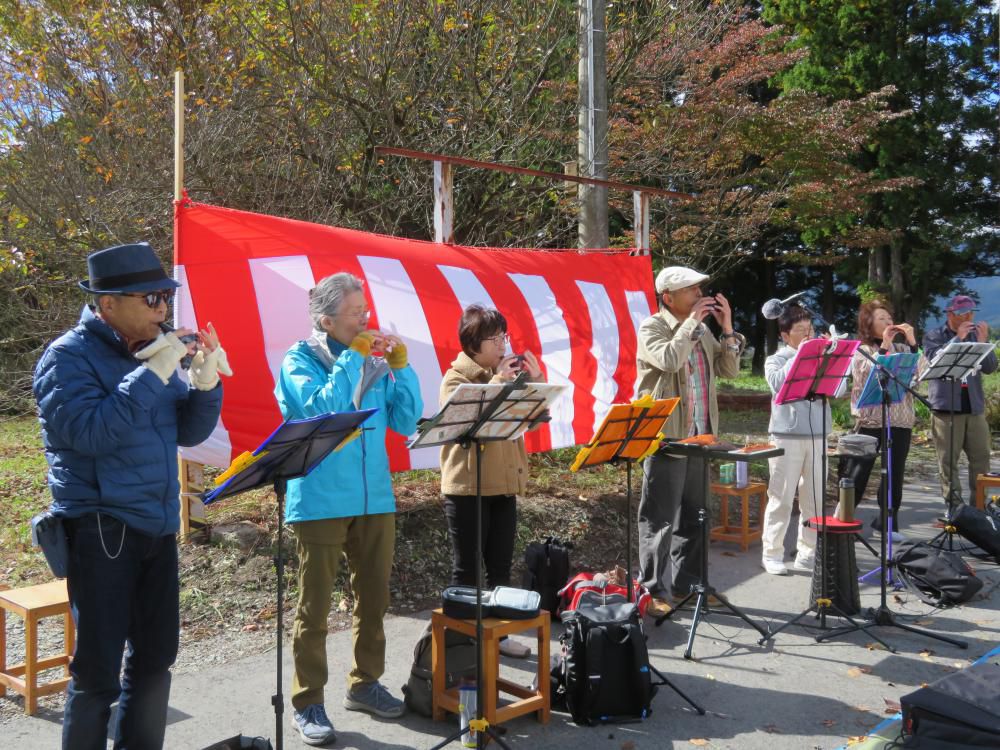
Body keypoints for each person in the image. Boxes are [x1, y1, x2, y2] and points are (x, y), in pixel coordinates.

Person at [33, 242, 228, 750]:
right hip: (102, 527)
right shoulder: (66, 357)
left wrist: (206, 384)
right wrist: (153, 372)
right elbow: (92, 434)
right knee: (98, 671)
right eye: (151, 298)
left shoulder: (156, 350)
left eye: (166, 297)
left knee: (156, 660)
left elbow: (186, 430)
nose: (163, 309)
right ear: (108, 303)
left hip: (157, 524)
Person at [274, 272, 423, 747]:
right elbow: (326, 412)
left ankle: (364, 683)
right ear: (326, 319)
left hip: (374, 496)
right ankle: (307, 701)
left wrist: (401, 366)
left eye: (365, 311)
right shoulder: (299, 360)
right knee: (314, 608)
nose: (366, 319)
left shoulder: (373, 361)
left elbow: (406, 419)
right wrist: (356, 356)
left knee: (375, 599)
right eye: (356, 313)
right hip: (319, 499)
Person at [635, 266, 744, 617]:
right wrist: (691, 327)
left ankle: (690, 582)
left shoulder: (701, 329)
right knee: (660, 519)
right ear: (668, 297)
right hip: (666, 437)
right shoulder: (652, 326)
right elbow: (669, 359)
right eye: (691, 290)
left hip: (701, 435)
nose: (699, 295)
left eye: (700, 289)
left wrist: (727, 330)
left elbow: (729, 370)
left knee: (697, 515)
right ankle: (652, 590)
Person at [438, 305, 545, 658]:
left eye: (504, 336)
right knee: (467, 569)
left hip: (503, 483)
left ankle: (498, 639)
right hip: (467, 487)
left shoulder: (506, 375)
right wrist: (499, 381)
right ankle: (463, 644)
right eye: (494, 338)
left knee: (500, 566)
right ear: (473, 343)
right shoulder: (456, 378)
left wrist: (535, 383)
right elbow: (465, 425)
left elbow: (529, 422)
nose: (503, 345)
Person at [760, 304, 846, 576]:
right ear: (785, 335)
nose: (807, 335)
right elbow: (777, 384)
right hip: (786, 435)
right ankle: (772, 553)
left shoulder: (822, 357)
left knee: (814, 498)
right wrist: (801, 356)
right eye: (800, 331)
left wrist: (834, 358)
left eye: (809, 330)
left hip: (818, 434)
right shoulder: (775, 359)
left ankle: (808, 552)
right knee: (781, 497)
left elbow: (839, 387)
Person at [842, 300, 926, 541]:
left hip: (899, 420)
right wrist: (886, 345)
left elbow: (923, 373)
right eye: (882, 319)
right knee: (858, 474)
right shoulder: (862, 349)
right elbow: (867, 372)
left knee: (894, 475)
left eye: (890, 319)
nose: (889, 323)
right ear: (868, 323)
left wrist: (912, 342)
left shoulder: (903, 348)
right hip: (870, 421)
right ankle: (844, 521)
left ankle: (888, 524)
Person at [922, 294, 997, 511]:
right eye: (964, 312)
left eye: (971, 312)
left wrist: (983, 342)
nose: (969, 316)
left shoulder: (975, 335)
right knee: (948, 462)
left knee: (981, 460)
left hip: (974, 407)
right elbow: (934, 358)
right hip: (946, 408)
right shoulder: (934, 335)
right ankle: (955, 510)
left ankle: (981, 510)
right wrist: (957, 339)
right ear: (951, 314)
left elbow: (990, 368)